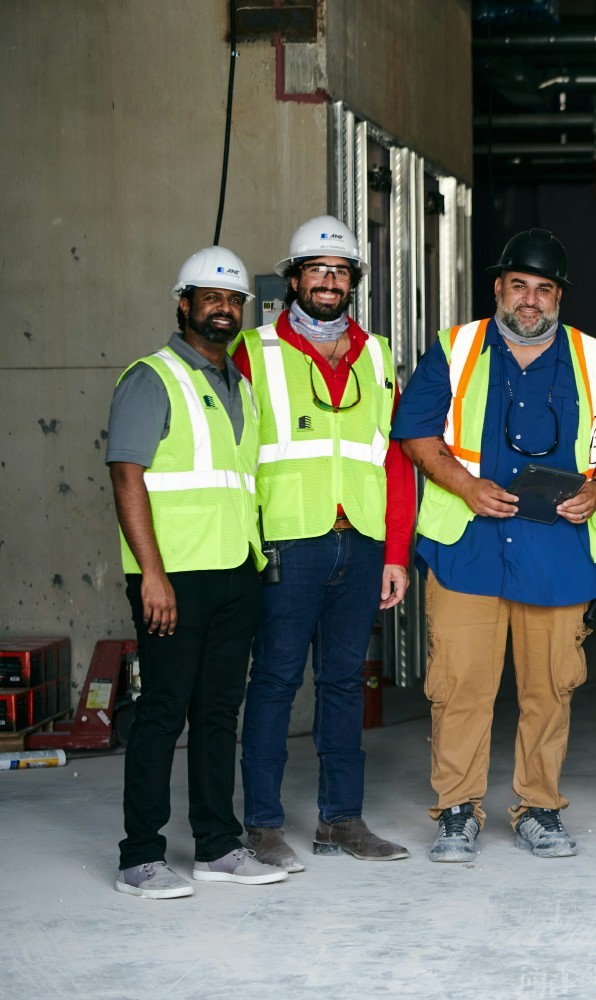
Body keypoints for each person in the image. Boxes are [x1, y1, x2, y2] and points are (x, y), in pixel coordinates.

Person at [394, 229, 596, 863]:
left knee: (550, 689)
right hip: (467, 550)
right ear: (498, 287)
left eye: (544, 289)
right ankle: (457, 810)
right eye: (520, 286)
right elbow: (414, 432)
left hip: (557, 556)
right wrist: (465, 485)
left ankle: (539, 807)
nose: (531, 301)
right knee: (460, 686)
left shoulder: (594, 358)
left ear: (559, 297)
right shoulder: (456, 349)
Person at [233, 216, 415, 871]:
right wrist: (245, 547)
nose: (330, 281)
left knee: (343, 684)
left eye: (341, 271)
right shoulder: (254, 353)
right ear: (294, 280)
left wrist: (396, 553)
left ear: (353, 282)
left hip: (359, 543)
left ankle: (342, 821)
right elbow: (237, 454)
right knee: (276, 683)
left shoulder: (376, 354)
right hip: (288, 542)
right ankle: (260, 826)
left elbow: (395, 461)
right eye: (317, 269)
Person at [107, 247, 288, 897]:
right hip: (174, 578)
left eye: (233, 300)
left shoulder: (238, 385)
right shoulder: (152, 377)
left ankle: (216, 846)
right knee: (162, 712)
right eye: (210, 297)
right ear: (183, 303)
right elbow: (127, 473)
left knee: (219, 712)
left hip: (236, 571)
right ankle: (140, 857)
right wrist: (150, 574)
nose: (224, 308)